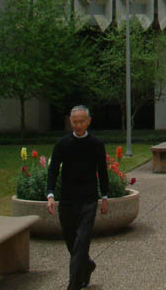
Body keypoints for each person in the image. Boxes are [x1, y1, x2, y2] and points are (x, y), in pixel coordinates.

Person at [46, 105, 109, 290]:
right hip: (67, 200)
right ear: (70, 122)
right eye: (75, 122)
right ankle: (87, 265)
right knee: (72, 243)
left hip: (88, 201)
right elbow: (52, 171)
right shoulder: (62, 144)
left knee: (81, 243)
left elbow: (103, 173)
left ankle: (73, 286)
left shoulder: (96, 145)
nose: (78, 125)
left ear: (89, 121)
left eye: (82, 121)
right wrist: (50, 195)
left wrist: (104, 197)